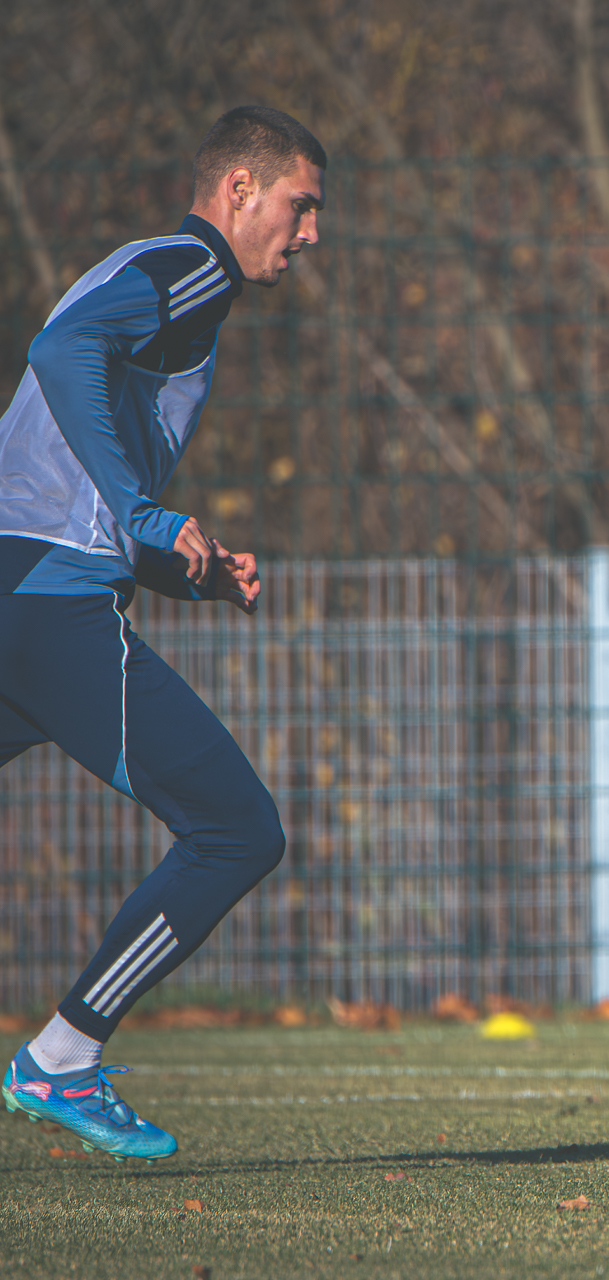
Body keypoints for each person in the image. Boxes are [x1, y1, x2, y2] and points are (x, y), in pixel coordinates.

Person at [0, 106, 324, 1162]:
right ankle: (59, 1058)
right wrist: (143, 515)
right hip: (50, 604)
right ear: (240, 189)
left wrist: (186, 570)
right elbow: (59, 349)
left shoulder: (163, 283)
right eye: (300, 205)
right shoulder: (194, 270)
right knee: (237, 830)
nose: (310, 232)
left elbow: (70, 481)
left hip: (21, 584)